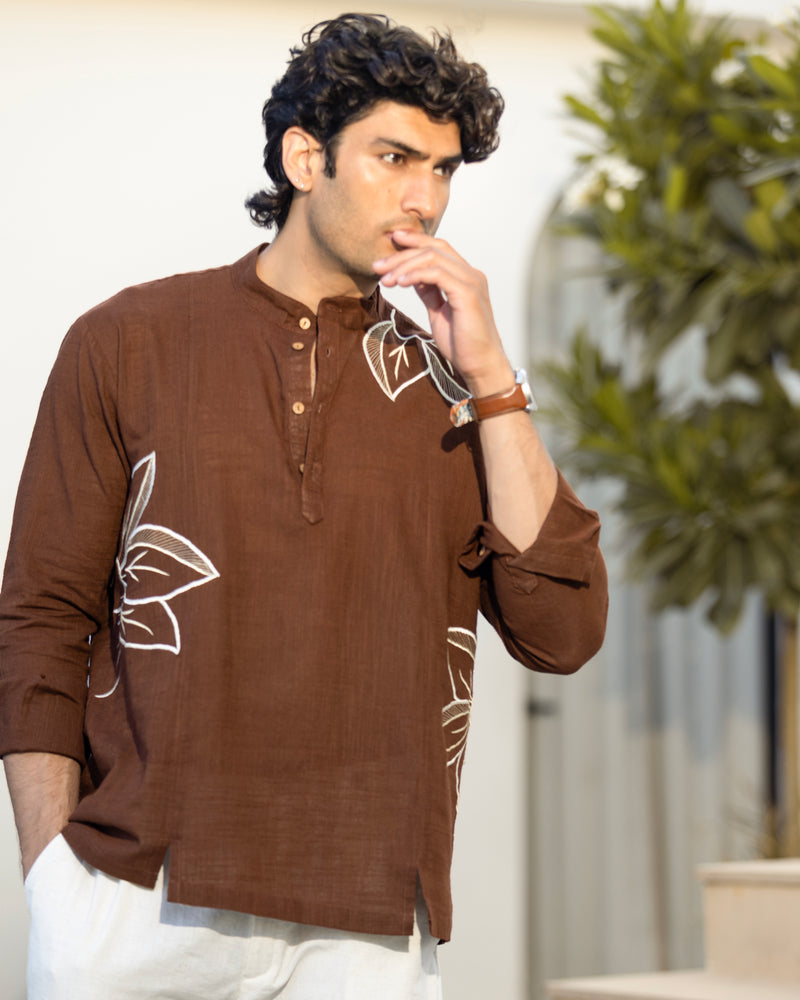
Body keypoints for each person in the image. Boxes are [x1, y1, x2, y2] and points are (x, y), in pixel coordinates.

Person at [0, 13, 607, 1000]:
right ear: (303, 158)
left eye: (444, 171)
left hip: (368, 924)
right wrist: (51, 876)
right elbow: (41, 617)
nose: (424, 200)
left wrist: (493, 377)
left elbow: (563, 631)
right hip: (143, 896)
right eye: (394, 158)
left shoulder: (452, 390)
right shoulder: (128, 342)